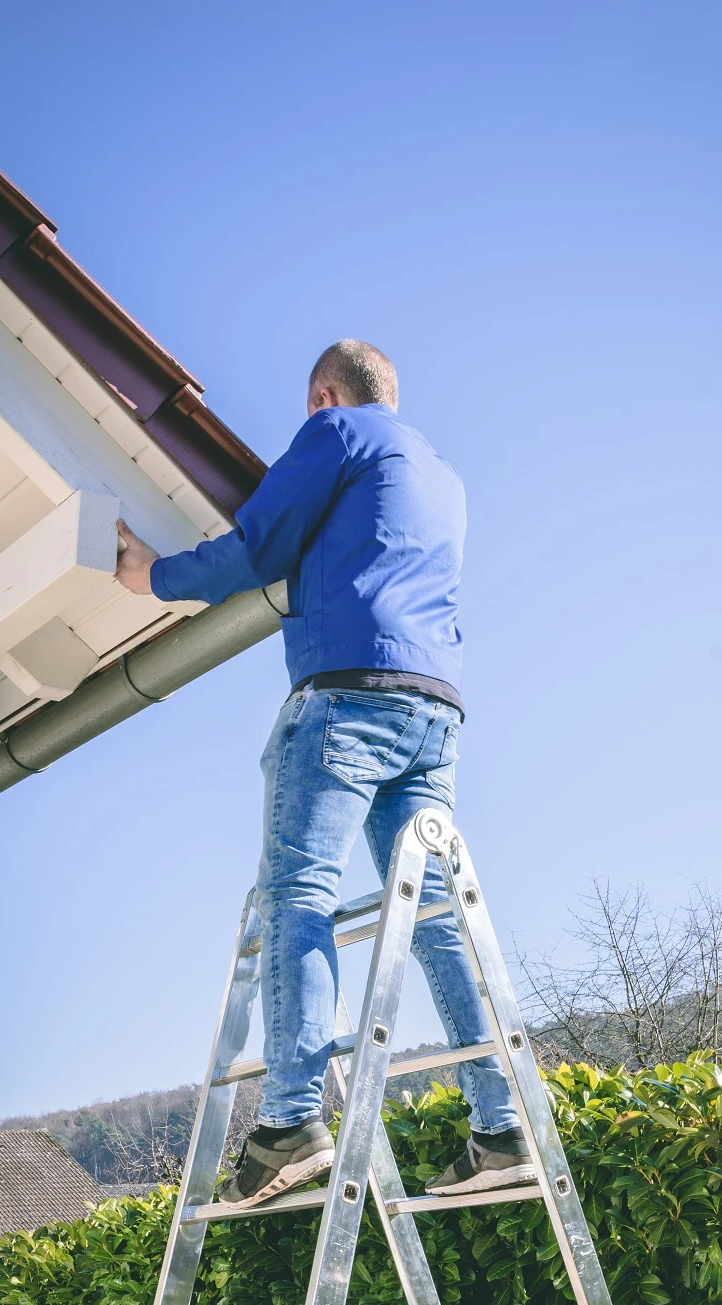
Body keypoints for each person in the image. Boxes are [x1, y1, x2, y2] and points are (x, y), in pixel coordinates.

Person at [115, 339, 533, 1206]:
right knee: (435, 919)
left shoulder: (337, 433)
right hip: (435, 713)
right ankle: (499, 1128)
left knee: (298, 894)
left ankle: (293, 1120)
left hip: (345, 700)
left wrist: (150, 575)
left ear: (323, 396)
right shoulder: (442, 476)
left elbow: (255, 546)